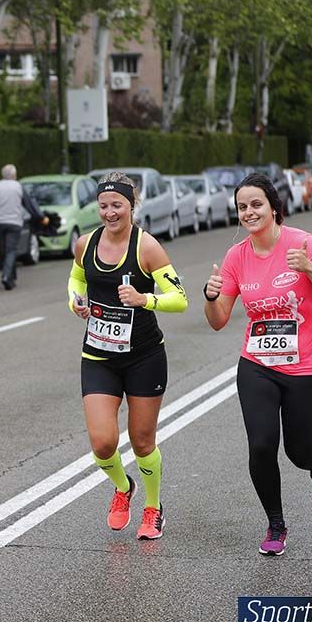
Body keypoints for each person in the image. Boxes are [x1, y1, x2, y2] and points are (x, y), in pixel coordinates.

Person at [203, 172, 312, 557]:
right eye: (241, 207)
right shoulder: (237, 256)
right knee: (262, 445)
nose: (248, 212)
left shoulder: (303, 244)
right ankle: (276, 524)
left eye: (255, 204)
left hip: (307, 367)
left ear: (273, 207)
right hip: (258, 365)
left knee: (298, 452)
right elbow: (218, 320)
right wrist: (210, 295)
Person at [67, 172, 188, 540]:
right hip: (99, 355)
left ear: (131, 206)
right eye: (103, 206)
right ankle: (123, 488)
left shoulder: (147, 247)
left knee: (141, 441)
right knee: (103, 443)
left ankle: (153, 508)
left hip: (144, 357)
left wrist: (144, 299)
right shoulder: (85, 244)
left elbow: (180, 298)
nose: (109, 213)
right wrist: (75, 301)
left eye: (117, 205)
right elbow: (76, 280)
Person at [0, 164, 50, 290]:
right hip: (14, 223)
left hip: (0, 224)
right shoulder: (18, 186)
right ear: (14, 175)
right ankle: (6, 276)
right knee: (11, 250)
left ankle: (11, 278)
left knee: (5, 251)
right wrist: (40, 217)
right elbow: (29, 204)